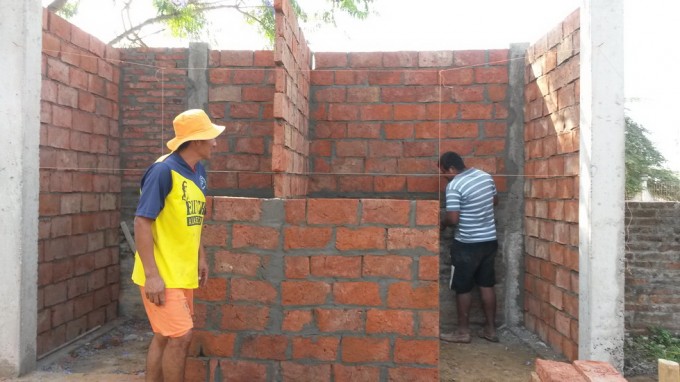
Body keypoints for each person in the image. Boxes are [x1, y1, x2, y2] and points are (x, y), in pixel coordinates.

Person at [132, 109, 224, 381]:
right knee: (181, 337)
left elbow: (191, 221)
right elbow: (141, 222)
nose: (215, 143)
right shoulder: (163, 171)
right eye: (210, 137)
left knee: (164, 336)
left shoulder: (198, 171)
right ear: (195, 141)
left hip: (182, 272)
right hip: (162, 273)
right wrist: (151, 276)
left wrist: (201, 256)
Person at [438, 151, 499, 344]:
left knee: (462, 287)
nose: (444, 177)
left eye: (443, 172)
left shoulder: (455, 185)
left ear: (452, 168)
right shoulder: (485, 176)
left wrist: (442, 223)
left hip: (466, 244)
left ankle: (462, 332)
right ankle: (490, 330)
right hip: (489, 241)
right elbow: (495, 201)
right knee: (486, 285)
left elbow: (453, 218)